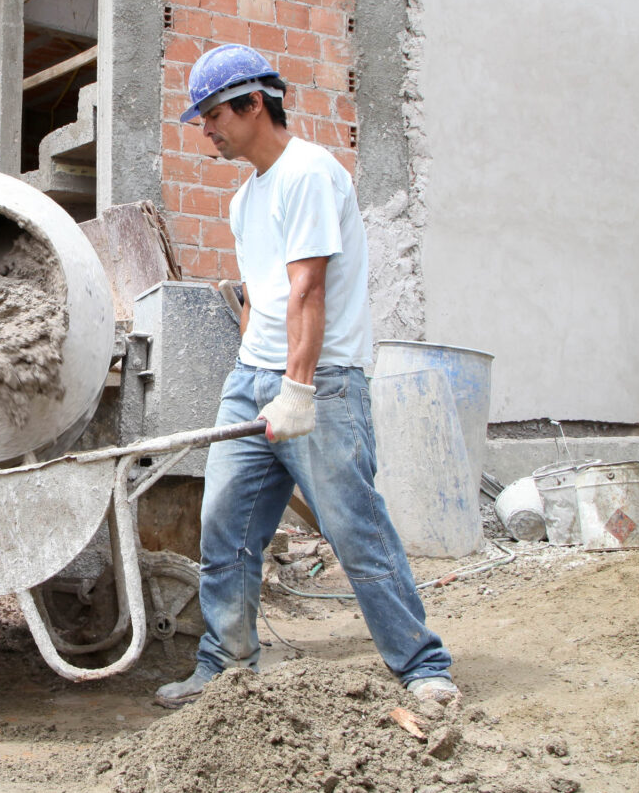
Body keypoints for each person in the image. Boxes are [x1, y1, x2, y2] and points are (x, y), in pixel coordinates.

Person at [156, 45, 458, 709]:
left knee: (354, 527)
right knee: (224, 525)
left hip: (322, 383)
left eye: (212, 116)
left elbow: (308, 290)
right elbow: (261, 299)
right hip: (254, 379)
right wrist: (251, 374)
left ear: (253, 104)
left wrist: (297, 387)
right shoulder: (244, 199)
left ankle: (421, 665)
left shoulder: (310, 175)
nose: (205, 130)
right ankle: (227, 667)